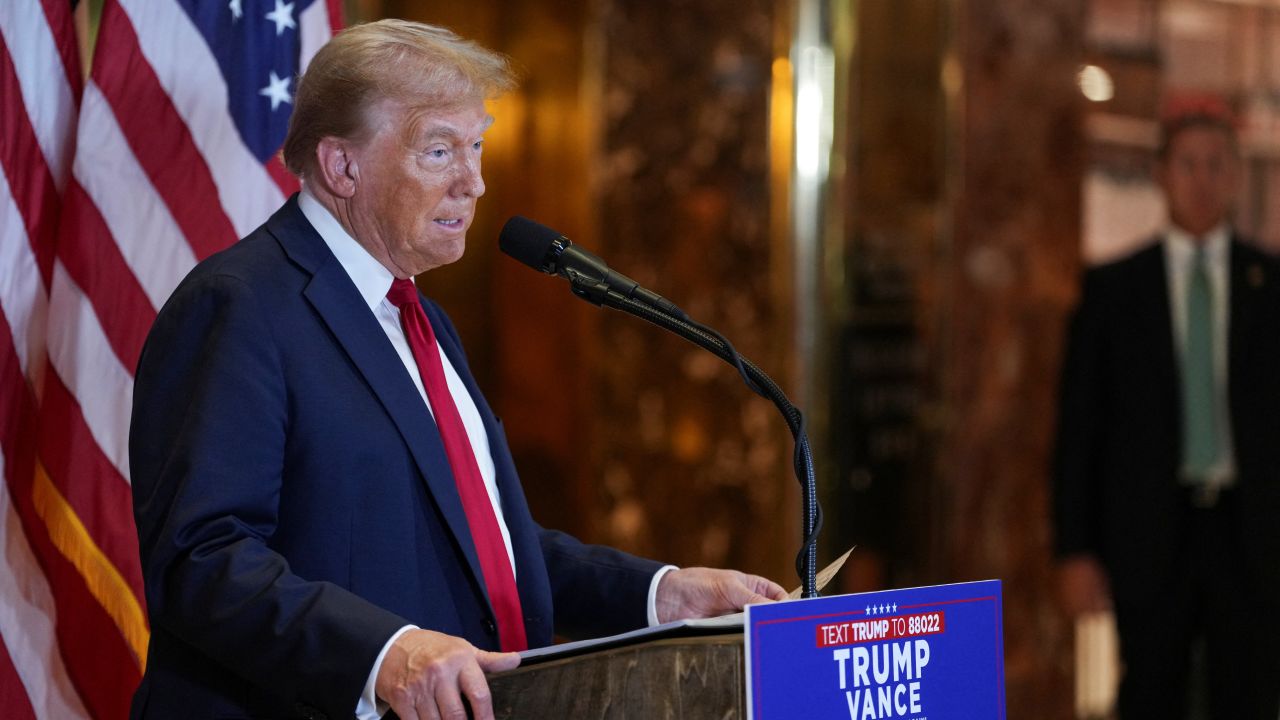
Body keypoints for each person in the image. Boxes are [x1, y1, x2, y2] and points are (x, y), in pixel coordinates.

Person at [129, 19, 787, 720]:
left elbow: (479, 543)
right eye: (439, 150)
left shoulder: (416, 316)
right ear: (341, 166)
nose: (473, 183)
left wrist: (662, 594)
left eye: (476, 147)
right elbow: (203, 560)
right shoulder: (240, 305)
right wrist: (386, 653)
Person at [1052, 108, 1280, 718]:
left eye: (1216, 165)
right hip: (1148, 533)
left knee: (1252, 691)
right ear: (1161, 175)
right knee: (1151, 690)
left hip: (1253, 535)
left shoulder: (1270, 283)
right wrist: (1074, 550)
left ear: (1235, 176)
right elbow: (1080, 429)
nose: (1201, 179)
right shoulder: (1114, 289)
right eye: (1188, 164)